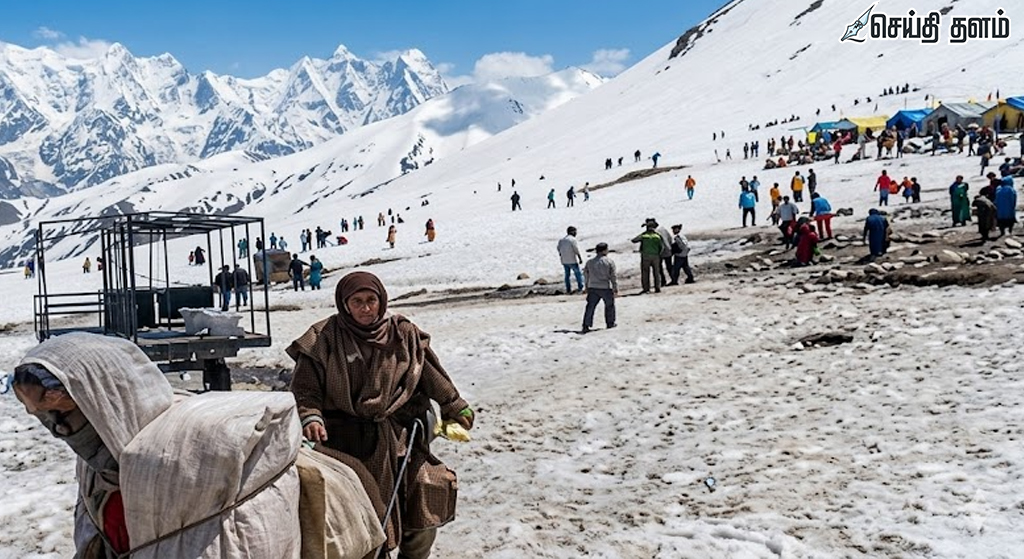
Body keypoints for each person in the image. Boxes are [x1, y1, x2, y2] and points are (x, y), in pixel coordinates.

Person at [11, 334, 316, 559]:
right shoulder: (94, 469)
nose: (57, 431)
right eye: (43, 417)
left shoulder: (191, 456)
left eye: (61, 414)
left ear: (104, 401)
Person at [288, 272, 473, 559]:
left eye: (371, 300)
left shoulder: (403, 334)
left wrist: (454, 405)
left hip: (399, 437)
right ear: (344, 303)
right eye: (357, 301)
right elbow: (305, 388)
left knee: (426, 492)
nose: (365, 308)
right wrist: (311, 416)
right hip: (343, 441)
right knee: (360, 513)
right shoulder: (323, 338)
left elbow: (429, 374)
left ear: (381, 300)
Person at [580, 242, 618, 333]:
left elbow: (586, 275)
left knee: (590, 307)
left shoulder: (590, 262)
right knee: (609, 306)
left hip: (593, 286)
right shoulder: (609, 261)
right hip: (605, 287)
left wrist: (586, 286)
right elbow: (613, 276)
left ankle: (586, 324)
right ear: (604, 250)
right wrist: (615, 287)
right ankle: (610, 323)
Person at [631, 221, 663, 294]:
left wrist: (643, 233)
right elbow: (661, 247)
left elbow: (634, 240)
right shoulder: (657, 236)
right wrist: (658, 254)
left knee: (645, 273)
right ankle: (657, 287)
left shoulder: (644, 236)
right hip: (655, 256)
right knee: (656, 273)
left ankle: (646, 288)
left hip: (645, 256)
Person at [557, 226, 584, 294]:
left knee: (567, 275)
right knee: (578, 274)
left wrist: (561, 254)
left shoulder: (562, 240)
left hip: (564, 260)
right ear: (572, 232)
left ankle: (568, 289)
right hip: (572, 260)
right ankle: (580, 287)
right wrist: (580, 258)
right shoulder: (572, 240)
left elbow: (558, 248)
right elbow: (576, 249)